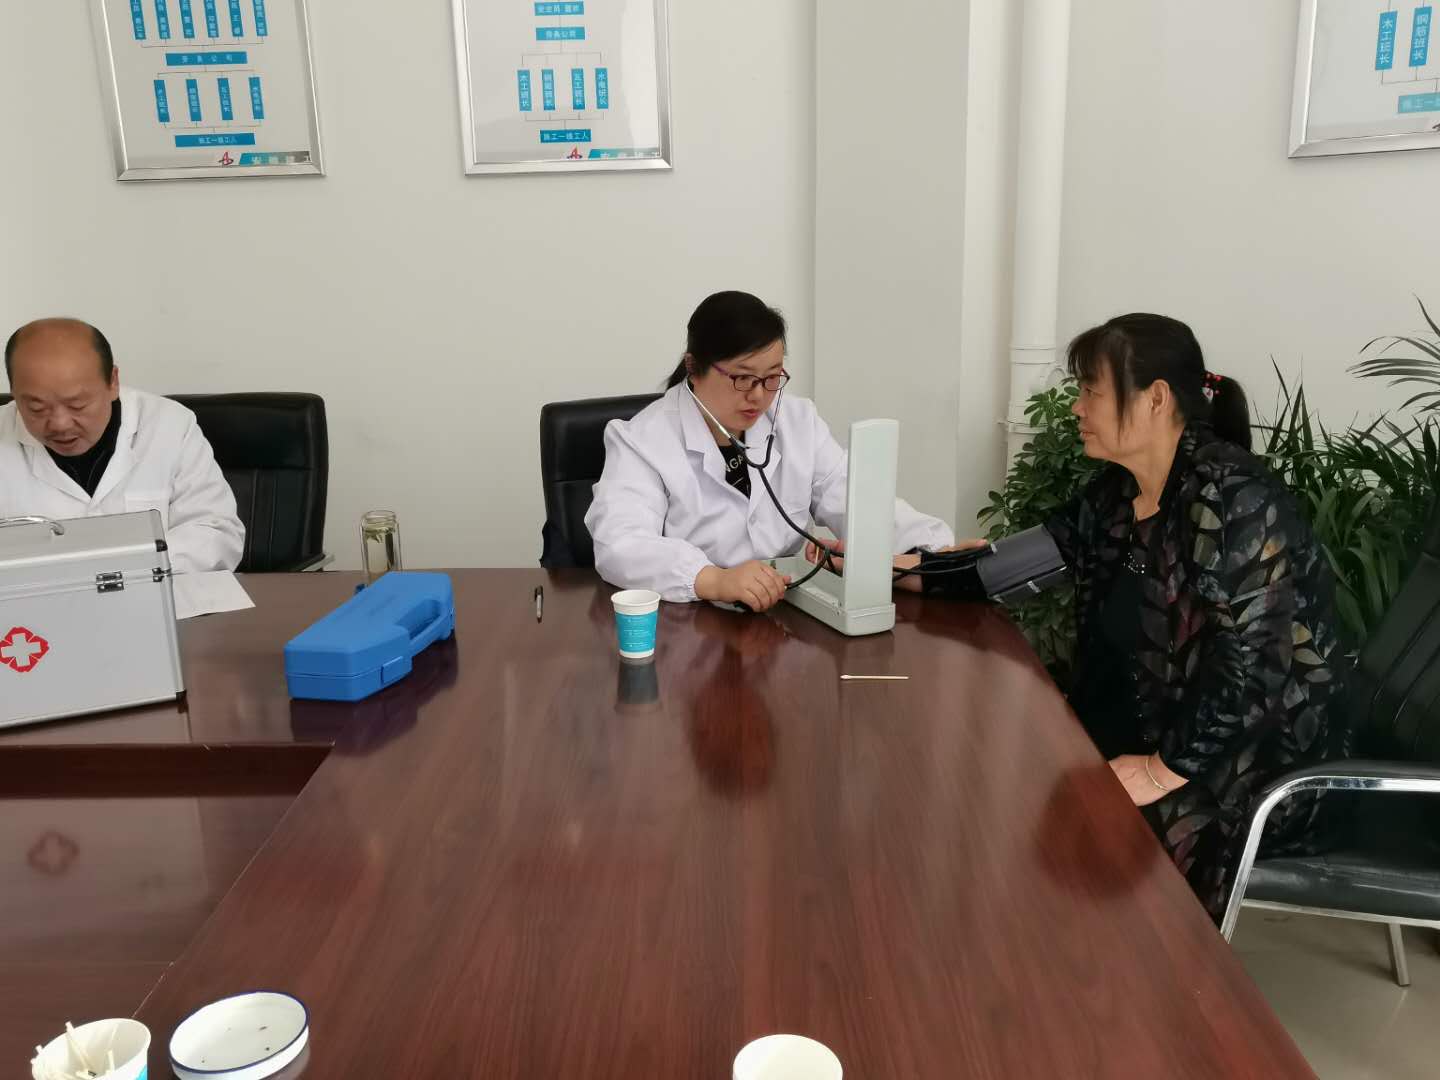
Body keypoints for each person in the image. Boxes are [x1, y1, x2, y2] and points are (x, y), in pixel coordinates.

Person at [902, 314, 1345, 921]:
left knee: (1095, 831)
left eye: (1091, 391)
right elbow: (1012, 565)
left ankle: (1110, 973)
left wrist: (1162, 772)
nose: (1077, 407)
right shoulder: (1120, 492)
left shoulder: (1232, 498)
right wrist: (899, 569)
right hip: (1154, 731)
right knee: (998, 771)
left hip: (1250, 765)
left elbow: (1256, 671)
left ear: (1155, 398)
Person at [586, 291, 954, 611]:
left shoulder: (797, 422)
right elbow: (620, 544)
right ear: (693, 368)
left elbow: (857, 501)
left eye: (773, 377)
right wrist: (714, 579)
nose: (759, 395)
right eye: (743, 378)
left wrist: (939, 553)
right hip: (691, 623)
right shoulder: (643, 440)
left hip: (786, 613)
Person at [0, 318, 244, 573]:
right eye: (36, 408)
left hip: (157, 589)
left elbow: (216, 532)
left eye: (77, 405)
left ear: (113, 382)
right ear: (14, 392)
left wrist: (127, 567)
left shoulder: (170, 425)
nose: (60, 424)